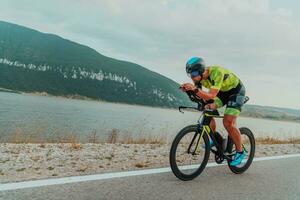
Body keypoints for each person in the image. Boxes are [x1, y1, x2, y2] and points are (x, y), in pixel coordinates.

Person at [180, 57, 246, 166]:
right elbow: (200, 95)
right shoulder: (197, 77)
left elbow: (211, 95)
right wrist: (189, 90)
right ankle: (215, 138)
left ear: (201, 70)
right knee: (207, 108)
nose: (193, 77)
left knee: (228, 122)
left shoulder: (217, 73)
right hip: (222, 93)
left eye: (194, 73)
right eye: (190, 74)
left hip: (236, 92)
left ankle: (240, 152)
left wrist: (194, 89)